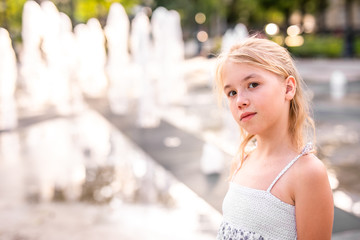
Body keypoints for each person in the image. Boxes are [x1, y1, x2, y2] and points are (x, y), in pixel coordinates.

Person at [214, 37, 334, 240]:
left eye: (253, 84)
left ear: (288, 88)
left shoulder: (307, 173)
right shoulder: (243, 159)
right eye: (232, 93)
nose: (240, 101)